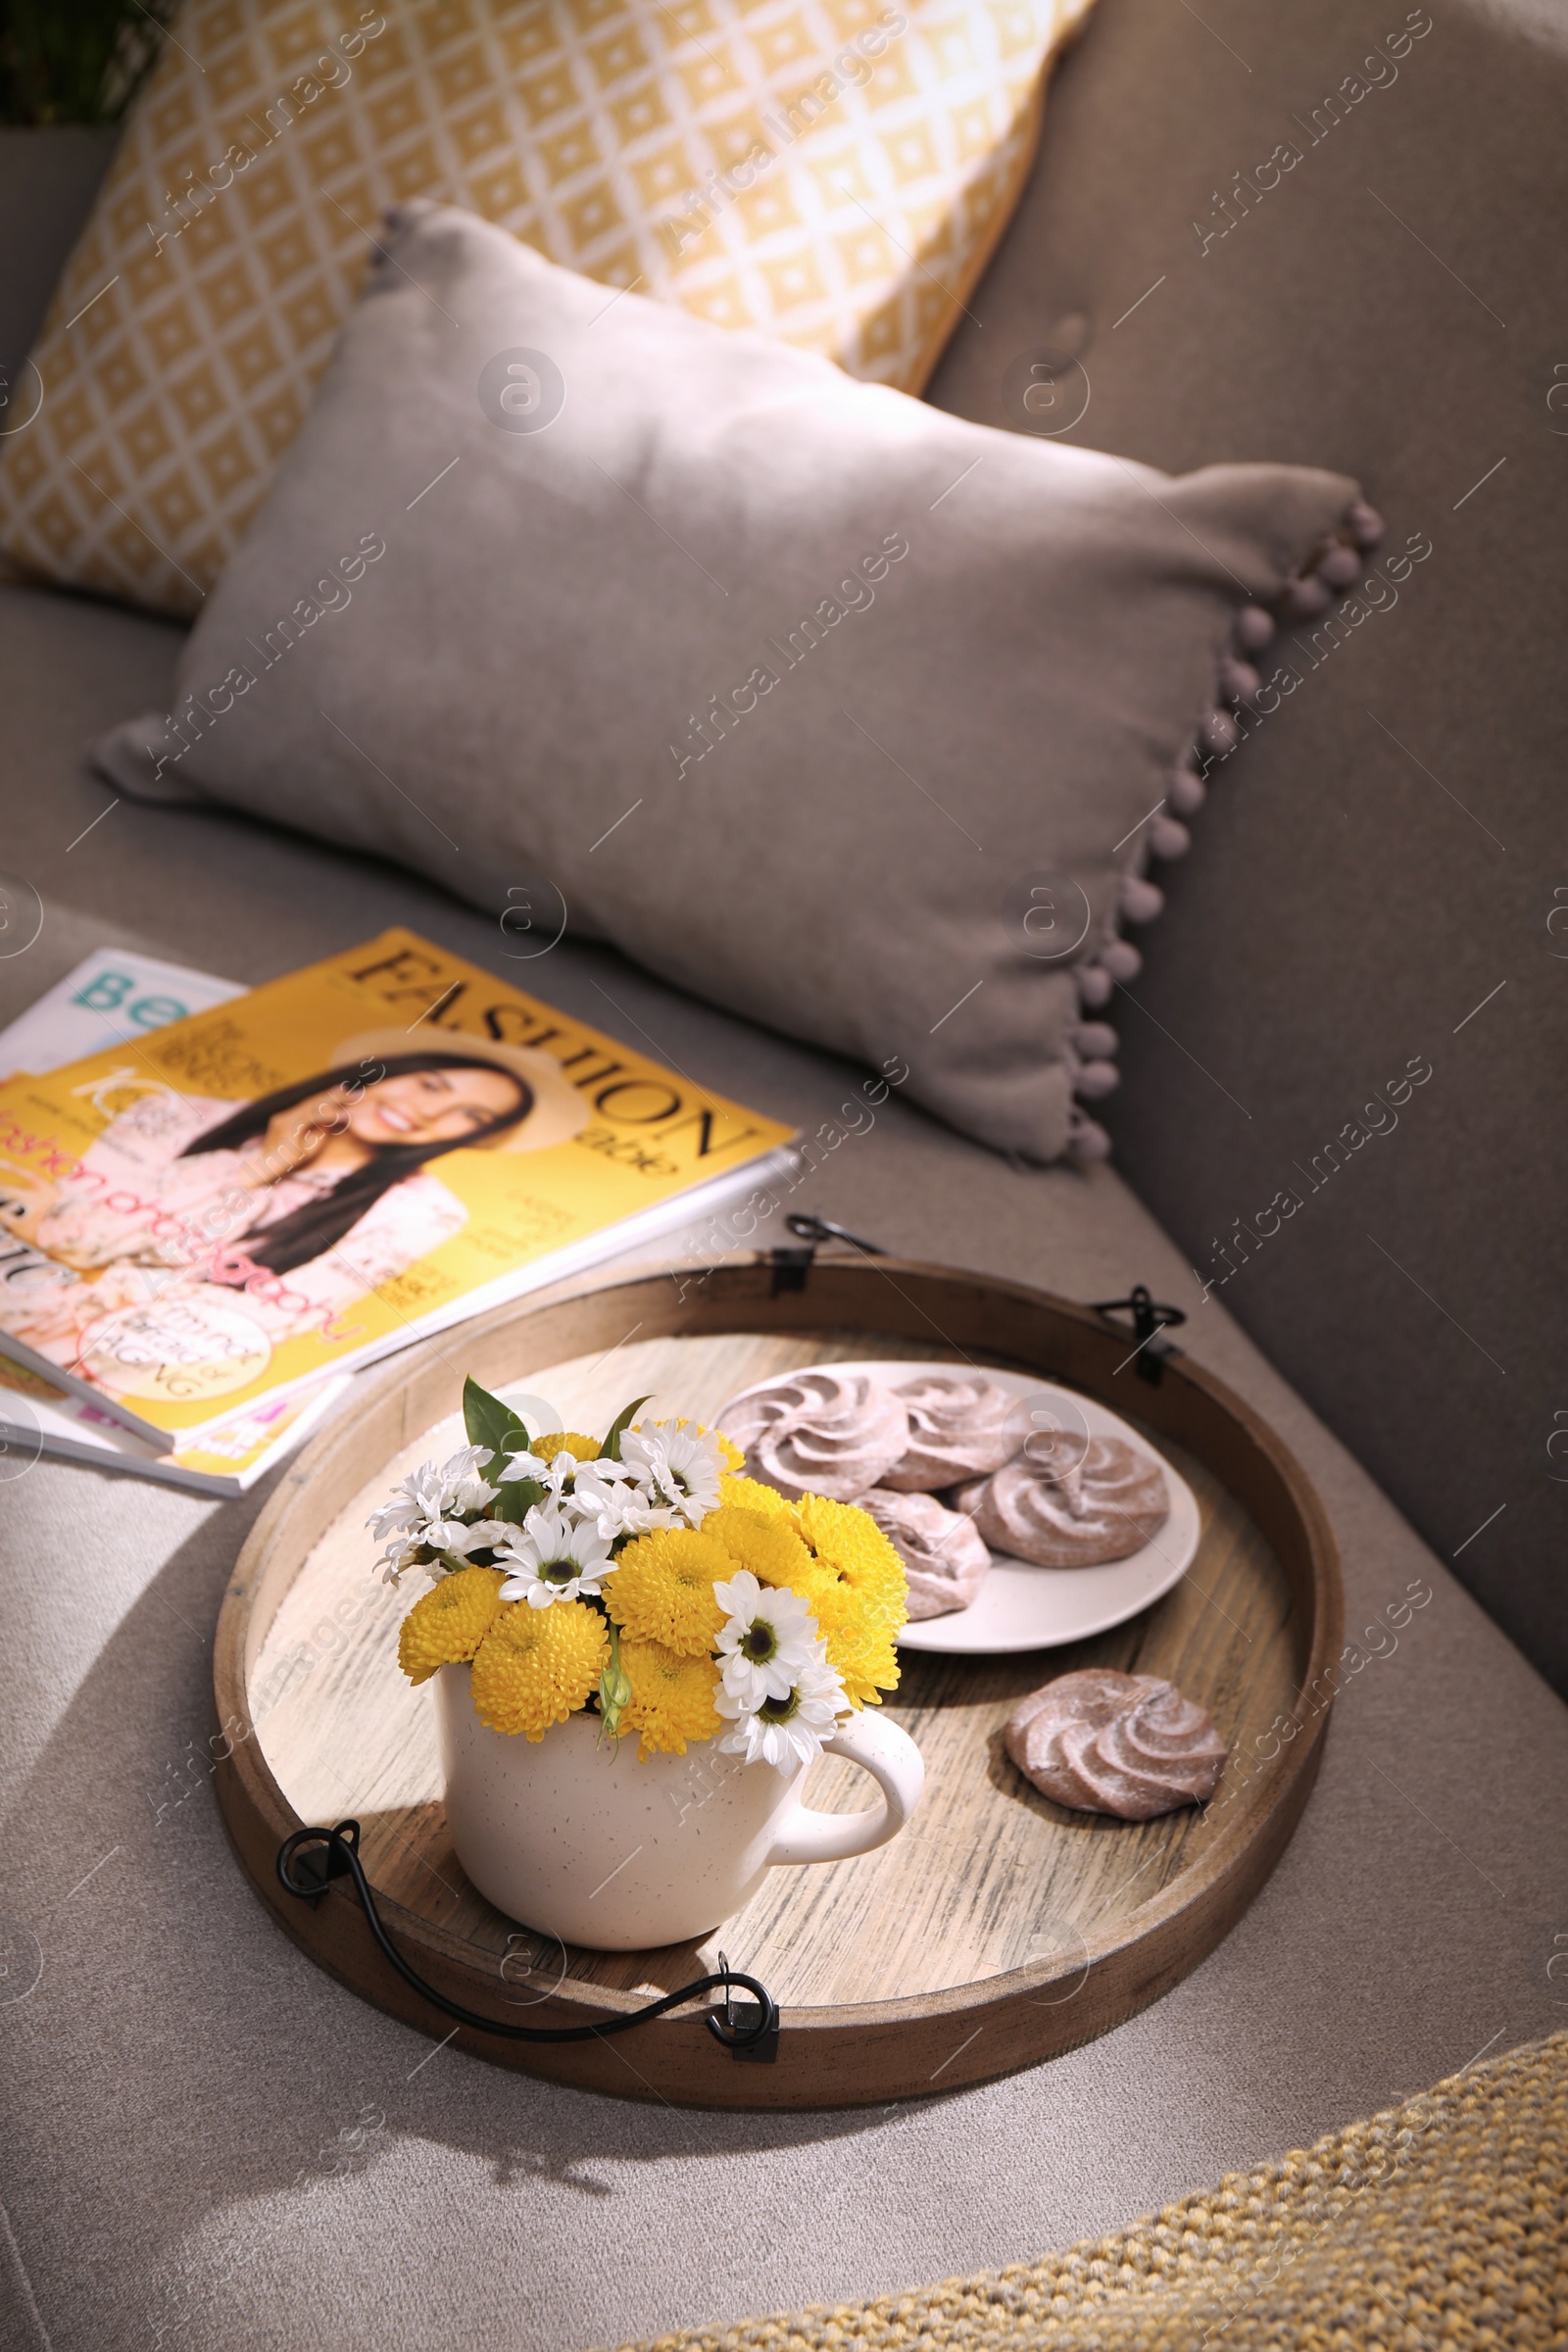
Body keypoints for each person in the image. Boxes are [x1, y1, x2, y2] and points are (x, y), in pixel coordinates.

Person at [1, 1035, 586, 1385]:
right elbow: (72, 1236)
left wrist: (97, 1291)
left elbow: (269, 1323)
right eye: (430, 1085)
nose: (429, 1112)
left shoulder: (423, 1213)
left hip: (116, 1368)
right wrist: (260, 1168)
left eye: (470, 1117)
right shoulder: (179, 1113)